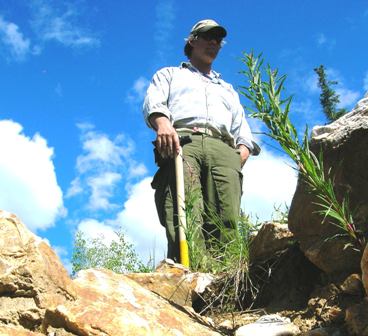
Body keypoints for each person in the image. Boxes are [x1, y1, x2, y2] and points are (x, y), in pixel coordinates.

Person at [143, 19, 259, 262]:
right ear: (192, 41)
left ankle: (225, 284)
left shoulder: (226, 89)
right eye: (208, 37)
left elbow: (242, 126)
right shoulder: (170, 74)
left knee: (227, 217)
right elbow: (154, 102)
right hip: (183, 143)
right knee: (185, 213)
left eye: (218, 40)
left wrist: (242, 151)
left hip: (223, 150)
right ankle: (190, 279)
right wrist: (163, 123)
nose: (214, 43)